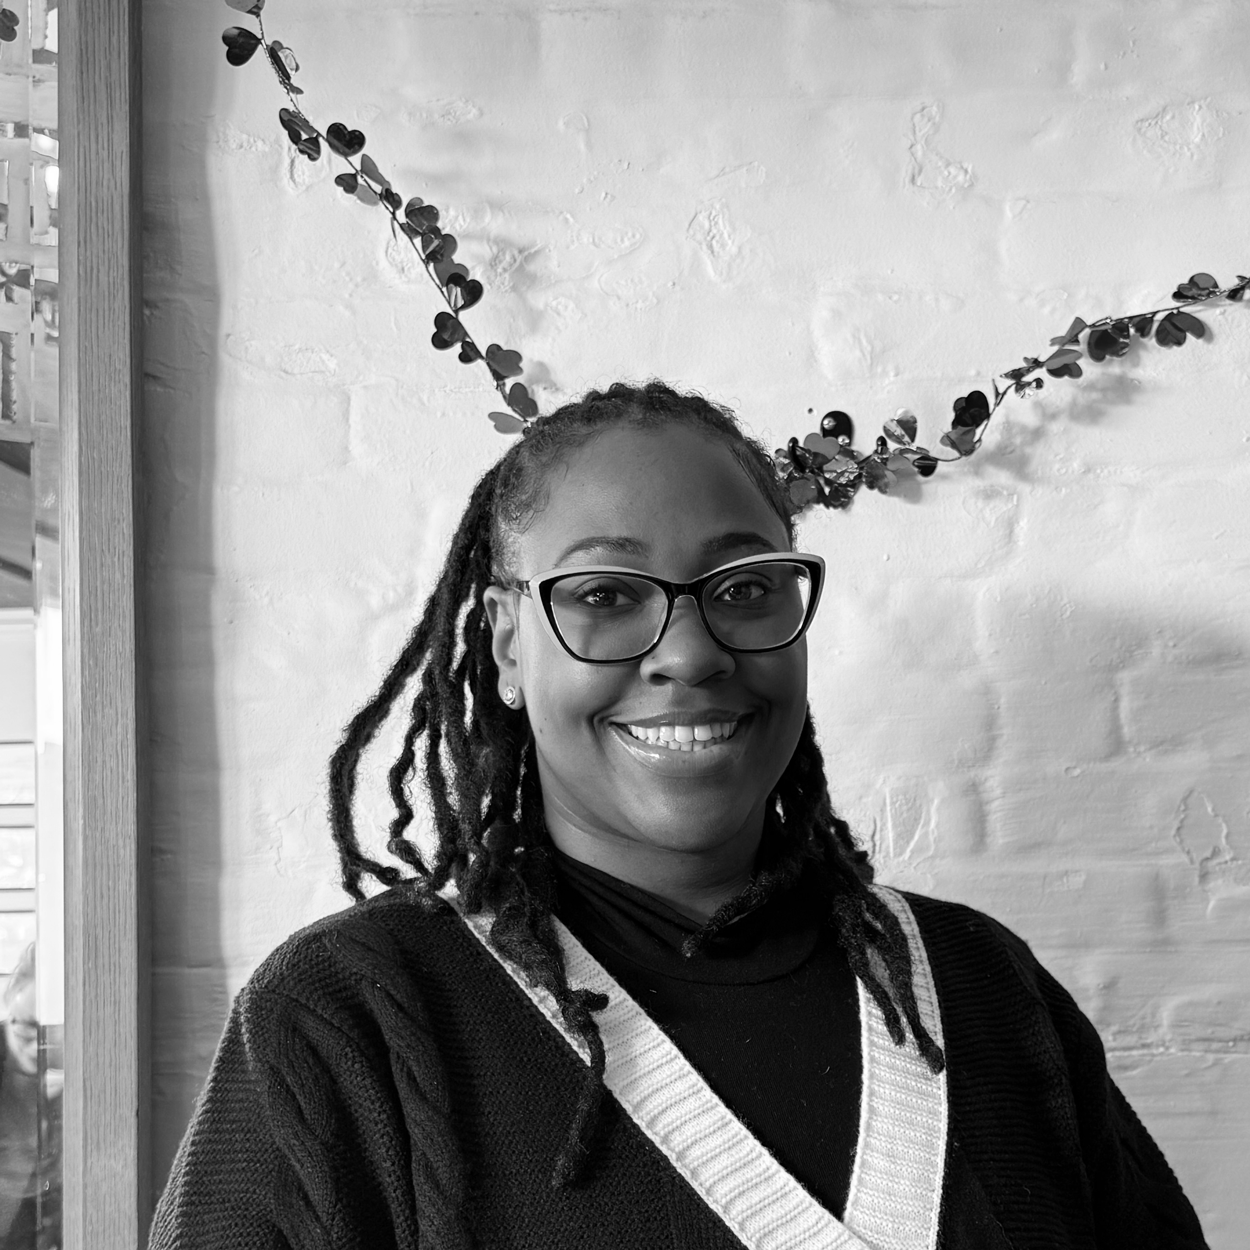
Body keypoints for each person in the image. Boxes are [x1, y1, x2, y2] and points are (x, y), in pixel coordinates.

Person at [148, 381, 1208, 1250]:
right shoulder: (350, 1020)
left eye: (743, 587)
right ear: (508, 646)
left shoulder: (981, 988)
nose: (690, 651)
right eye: (606, 593)